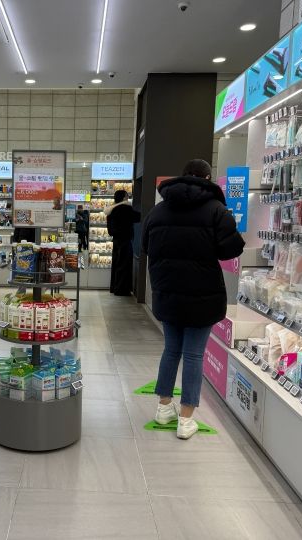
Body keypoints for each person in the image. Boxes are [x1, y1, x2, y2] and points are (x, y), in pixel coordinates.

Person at [142, 159, 244, 439]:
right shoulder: (217, 210)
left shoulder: (158, 210)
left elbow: (146, 246)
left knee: (171, 350)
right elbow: (230, 250)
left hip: (167, 292)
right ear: (208, 178)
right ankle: (186, 420)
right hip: (203, 295)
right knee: (194, 354)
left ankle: (164, 407)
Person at [105, 190, 140, 296]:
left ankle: (114, 287)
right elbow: (138, 217)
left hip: (116, 240)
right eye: (127, 196)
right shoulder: (126, 208)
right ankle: (121, 290)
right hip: (125, 240)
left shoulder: (111, 210)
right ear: (124, 197)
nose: (128, 197)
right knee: (124, 265)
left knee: (116, 264)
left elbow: (110, 230)